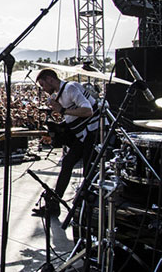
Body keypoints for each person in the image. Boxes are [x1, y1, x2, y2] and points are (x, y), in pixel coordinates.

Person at [33, 68, 99, 217]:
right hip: (83, 135)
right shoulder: (61, 94)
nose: (43, 89)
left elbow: (88, 111)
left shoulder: (70, 88)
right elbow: (71, 116)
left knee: (88, 172)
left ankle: (87, 210)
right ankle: (54, 205)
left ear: (51, 79)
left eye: (43, 85)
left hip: (93, 133)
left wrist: (62, 111)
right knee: (67, 163)